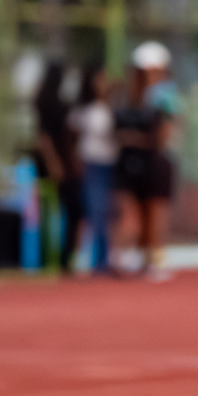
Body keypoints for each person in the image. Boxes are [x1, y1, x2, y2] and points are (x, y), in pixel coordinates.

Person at [114, 42, 180, 279]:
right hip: (149, 160)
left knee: (151, 212)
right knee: (148, 213)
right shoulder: (161, 93)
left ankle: (148, 258)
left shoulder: (132, 94)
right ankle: (145, 258)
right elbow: (170, 129)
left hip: (144, 160)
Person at [33, 61, 82, 274]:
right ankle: (55, 258)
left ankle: (61, 256)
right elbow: (44, 137)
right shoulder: (47, 102)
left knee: (61, 211)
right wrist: (54, 162)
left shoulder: (51, 101)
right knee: (58, 210)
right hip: (56, 163)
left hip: (59, 162)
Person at [69, 65, 117, 275]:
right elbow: (73, 135)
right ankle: (89, 258)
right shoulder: (85, 110)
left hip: (110, 165)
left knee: (108, 212)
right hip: (92, 164)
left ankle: (105, 258)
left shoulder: (113, 107)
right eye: (100, 79)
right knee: (93, 210)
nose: (103, 84)